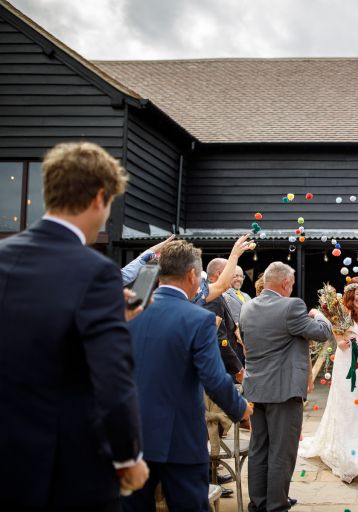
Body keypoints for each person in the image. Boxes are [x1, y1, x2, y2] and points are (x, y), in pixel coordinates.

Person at [0, 142, 147, 510]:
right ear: (100, 197)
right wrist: (128, 458)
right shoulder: (96, 273)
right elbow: (114, 382)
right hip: (64, 468)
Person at [122, 240, 253, 512]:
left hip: (132, 436)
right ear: (193, 275)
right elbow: (214, 378)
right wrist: (241, 409)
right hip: (179, 437)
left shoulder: (129, 313)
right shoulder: (197, 319)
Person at [239, 262, 333, 512]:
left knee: (259, 449)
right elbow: (322, 333)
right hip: (283, 390)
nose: (292, 288)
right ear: (285, 283)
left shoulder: (247, 307)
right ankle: (277, 505)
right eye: (291, 284)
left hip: (256, 388)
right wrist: (319, 314)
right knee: (282, 452)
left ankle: (259, 503)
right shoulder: (292, 306)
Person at [299, 277, 358, 482]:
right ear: (350, 295)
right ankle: (348, 455)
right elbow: (334, 330)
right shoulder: (341, 313)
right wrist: (340, 341)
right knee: (348, 405)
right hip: (347, 362)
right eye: (357, 294)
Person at [205, 258, 246, 372]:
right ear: (219, 274)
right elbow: (219, 339)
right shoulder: (212, 297)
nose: (233, 277)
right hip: (219, 366)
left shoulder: (214, 294)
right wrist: (238, 368)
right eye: (231, 273)